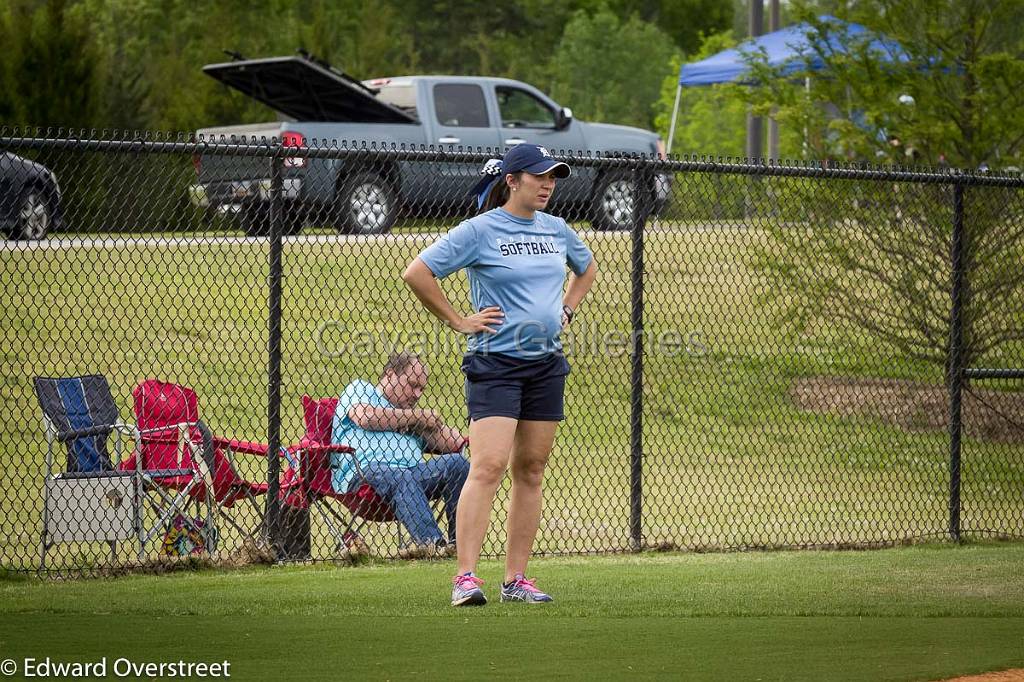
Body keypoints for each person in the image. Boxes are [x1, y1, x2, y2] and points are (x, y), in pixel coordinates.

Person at [402, 143, 597, 605]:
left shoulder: (557, 230)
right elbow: (417, 273)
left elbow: (586, 270)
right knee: (487, 466)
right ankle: (465, 579)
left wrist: (566, 311)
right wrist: (458, 320)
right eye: (539, 176)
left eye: (553, 177)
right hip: (495, 364)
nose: (548, 184)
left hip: (546, 363)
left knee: (530, 469)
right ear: (512, 181)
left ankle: (516, 580)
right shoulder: (480, 230)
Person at [331, 351, 470, 558]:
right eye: (412, 385)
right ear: (389, 375)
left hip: (412, 476)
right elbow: (365, 417)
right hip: (362, 476)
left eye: (422, 389)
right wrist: (416, 417)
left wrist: (424, 424)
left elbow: (455, 444)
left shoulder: (413, 419)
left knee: (457, 464)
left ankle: (460, 546)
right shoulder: (361, 389)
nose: (417, 394)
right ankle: (434, 545)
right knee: (399, 474)